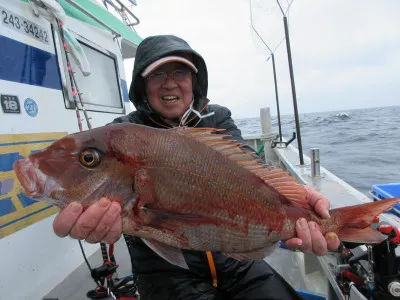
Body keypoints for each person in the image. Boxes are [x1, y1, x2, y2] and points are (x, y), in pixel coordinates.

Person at [53, 34, 340, 299]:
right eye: (156, 74)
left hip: (235, 258)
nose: (169, 83)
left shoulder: (218, 118)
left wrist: (301, 200)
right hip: (164, 273)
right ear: (142, 85)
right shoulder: (120, 135)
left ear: (194, 80)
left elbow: (253, 171)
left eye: (180, 72)